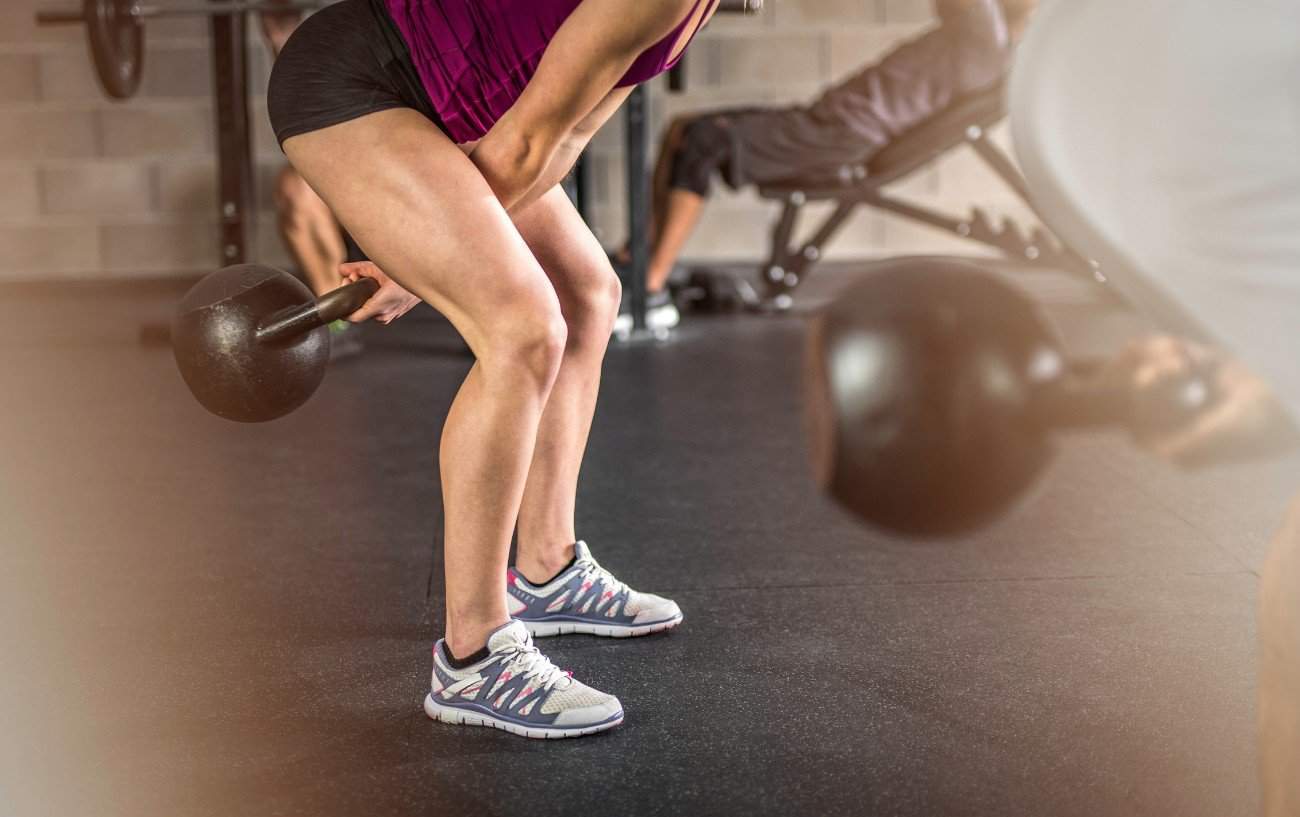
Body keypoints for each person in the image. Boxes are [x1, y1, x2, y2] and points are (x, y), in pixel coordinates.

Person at [267, 0, 706, 738]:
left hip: (464, 120)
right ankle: (472, 655)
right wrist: (415, 259)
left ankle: (547, 568)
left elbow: (571, 130)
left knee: (588, 293)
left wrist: (419, 256)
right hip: (361, 84)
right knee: (524, 326)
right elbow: (532, 137)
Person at [615, 0, 1038, 331]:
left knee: (703, 141)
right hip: (825, 121)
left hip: (840, 135)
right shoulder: (982, 36)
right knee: (684, 128)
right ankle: (643, 250)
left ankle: (651, 285)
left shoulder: (985, 37)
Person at [260, 3, 363, 358]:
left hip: (422, 173)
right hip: (355, 174)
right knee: (296, 189)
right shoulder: (323, 49)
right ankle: (337, 318)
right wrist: (279, 27)